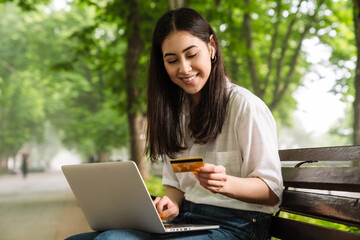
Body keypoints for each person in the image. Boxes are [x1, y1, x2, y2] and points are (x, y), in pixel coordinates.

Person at [66, 7, 283, 240]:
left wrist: (225, 183)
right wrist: (170, 204)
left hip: (238, 226)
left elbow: (271, 191)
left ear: (211, 47)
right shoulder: (177, 114)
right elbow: (177, 187)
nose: (184, 68)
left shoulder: (245, 106)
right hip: (189, 221)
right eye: (172, 60)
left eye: (191, 55)